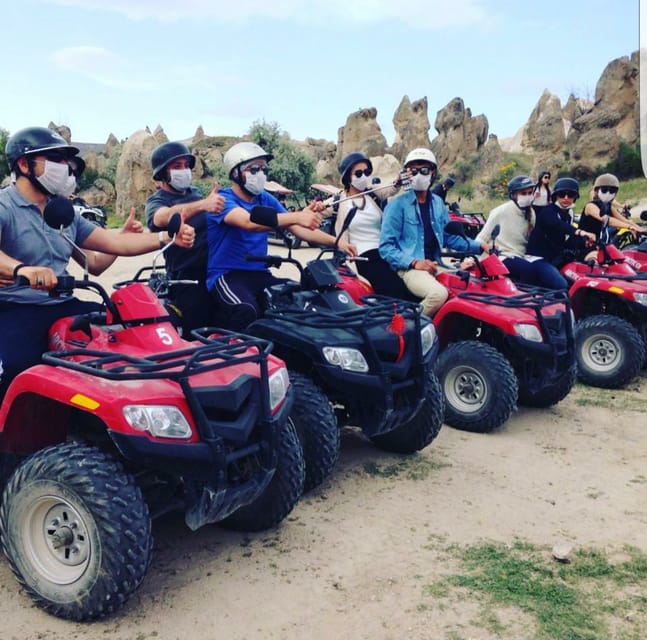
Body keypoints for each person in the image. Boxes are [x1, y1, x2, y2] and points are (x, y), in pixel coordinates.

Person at [0, 126, 195, 397]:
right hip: (15, 306)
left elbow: (111, 245)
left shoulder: (62, 211)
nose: (64, 168)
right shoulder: (5, 206)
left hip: (62, 302)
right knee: (16, 365)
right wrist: (22, 269)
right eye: (55, 159)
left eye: (65, 161)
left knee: (129, 331)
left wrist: (165, 236)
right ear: (23, 164)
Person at [206, 142, 356, 332]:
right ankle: (239, 355)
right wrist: (298, 216)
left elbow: (297, 228)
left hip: (260, 273)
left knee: (302, 297)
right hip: (227, 275)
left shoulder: (265, 199)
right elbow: (248, 223)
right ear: (235, 173)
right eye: (253, 169)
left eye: (263, 169)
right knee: (246, 310)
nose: (260, 174)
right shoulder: (223, 200)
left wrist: (338, 242)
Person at [379, 148, 488, 317]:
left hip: (435, 264)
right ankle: (409, 328)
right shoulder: (397, 205)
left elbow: (446, 237)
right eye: (413, 171)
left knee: (471, 289)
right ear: (407, 174)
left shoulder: (437, 203)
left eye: (424, 170)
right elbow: (386, 247)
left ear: (433, 173)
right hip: (409, 269)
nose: (419, 175)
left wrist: (479, 245)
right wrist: (415, 262)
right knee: (439, 294)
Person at [146, 141, 225, 332]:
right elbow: (161, 217)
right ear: (162, 172)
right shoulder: (156, 200)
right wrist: (203, 205)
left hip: (217, 269)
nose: (184, 170)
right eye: (177, 167)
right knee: (197, 323)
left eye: (187, 165)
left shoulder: (195, 192)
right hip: (187, 277)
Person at [327, 151, 414, 300]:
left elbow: (390, 188)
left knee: (411, 286)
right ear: (348, 177)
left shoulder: (372, 194)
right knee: (395, 291)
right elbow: (313, 213)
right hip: (363, 257)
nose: (364, 177)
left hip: (386, 252)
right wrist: (314, 209)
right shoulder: (338, 201)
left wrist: (399, 180)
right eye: (358, 174)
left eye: (367, 172)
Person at [475, 175, 566, 289]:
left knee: (553, 279)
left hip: (522, 255)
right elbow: (482, 237)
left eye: (529, 193)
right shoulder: (500, 211)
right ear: (513, 195)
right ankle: (525, 301)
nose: (527, 196)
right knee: (527, 270)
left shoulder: (531, 213)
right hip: (502, 255)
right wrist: (470, 259)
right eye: (523, 193)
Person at [526, 177, 596, 281]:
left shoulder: (570, 212)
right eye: (562, 194)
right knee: (560, 284)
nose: (566, 198)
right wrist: (580, 232)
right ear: (556, 196)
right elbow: (558, 225)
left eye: (570, 195)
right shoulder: (548, 211)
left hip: (556, 254)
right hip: (539, 256)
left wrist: (586, 240)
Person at [578, 173, 642, 240]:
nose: (608, 193)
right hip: (582, 243)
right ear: (596, 190)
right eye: (604, 190)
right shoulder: (590, 206)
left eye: (612, 191)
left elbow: (624, 220)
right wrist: (629, 227)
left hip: (596, 242)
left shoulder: (608, 206)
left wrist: (641, 230)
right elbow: (607, 219)